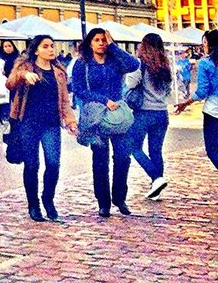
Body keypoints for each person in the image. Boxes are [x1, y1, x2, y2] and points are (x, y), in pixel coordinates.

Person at [7, 35, 78, 222]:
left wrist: (70, 121)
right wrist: (23, 75)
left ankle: (48, 200)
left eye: (52, 46)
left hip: (51, 124)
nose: (51, 49)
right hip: (28, 123)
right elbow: (10, 83)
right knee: (32, 165)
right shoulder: (25, 67)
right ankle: (33, 204)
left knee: (53, 164)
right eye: (45, 46)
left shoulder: (58, 72)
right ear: (36, 50)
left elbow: (64, 101)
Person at [72, 26, 140, 218]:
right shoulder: (82, 64)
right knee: (100, 160)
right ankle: (103, 202)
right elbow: (78, 90)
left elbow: (134, 65)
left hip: (118, 116)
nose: (101, 43)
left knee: (123, 158)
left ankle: (120, 198)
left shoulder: (115, 60)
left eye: (104, 40)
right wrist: (103, 100)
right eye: (97, 40)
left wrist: (114, 47)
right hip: (97, 116)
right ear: (90, 43)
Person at [125, 33, 172, 199]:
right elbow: (168, 91)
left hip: (144, 112)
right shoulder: (166, 66)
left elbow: (130, 83)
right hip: (162, 113)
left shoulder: (140, 64)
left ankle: (156, 178)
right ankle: (156, 189)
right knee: (156, 151)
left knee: (133, 146)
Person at [174, 29, 218, 171]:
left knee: (213, 150)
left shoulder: (206, 63)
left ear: (210, 45)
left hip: (214, 111)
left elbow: (202, 92)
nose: (203, 46)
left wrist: (186, 103)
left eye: (204, 43)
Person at [0, 40, 20, 129]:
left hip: (16, 82)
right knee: (4, 99)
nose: (8, 48)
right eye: (5, 46)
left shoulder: (18, 58)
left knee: (16, 100)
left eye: (9, 46)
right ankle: (4, 116)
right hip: (4, 83)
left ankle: (15, 116)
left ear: (13, 47)